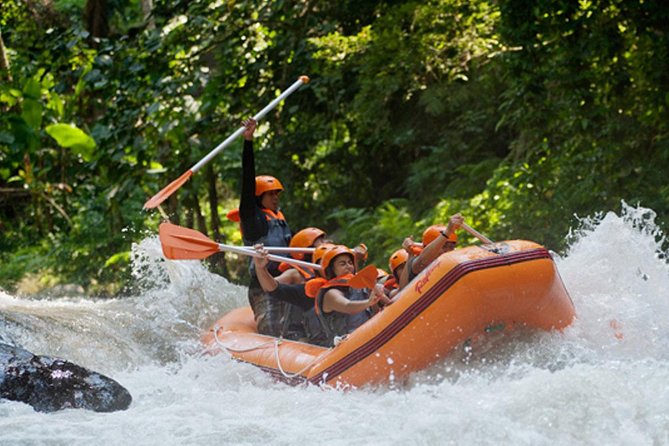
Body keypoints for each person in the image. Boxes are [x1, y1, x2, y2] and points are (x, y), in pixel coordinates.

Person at [238, 118, 292, 337]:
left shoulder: (280, 218)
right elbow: (247, 182)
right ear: (259, 197)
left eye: (277, 194)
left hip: (287, 281)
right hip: (263, 286)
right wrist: (248, 141)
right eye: (271, 194)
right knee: (272, 333)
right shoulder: (253, 220)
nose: (276, 198)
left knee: (296, 329)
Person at [252, 243, 336, 345]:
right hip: (319, 342)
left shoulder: (352, 284)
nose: (347, 266)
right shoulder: (306, 288)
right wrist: (261, 268)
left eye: (349, 262)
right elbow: (272, 288)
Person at [312, 245, 385, 347]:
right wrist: (369, 302)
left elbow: (380, 308)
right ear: (331, 270)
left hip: (369, 332)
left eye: (350, 263)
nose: (348, 266)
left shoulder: (361, 286)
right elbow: (347, 306)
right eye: (342, 264)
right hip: (345, 345)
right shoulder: (330, 293)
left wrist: (379, 294)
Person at [399, 213, 464, 289]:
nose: (448, 251)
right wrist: (447, 232)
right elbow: (423, 260)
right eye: (444, 246)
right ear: (428, 247)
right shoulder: (416, 262)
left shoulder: (454, 259)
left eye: (451, 247)